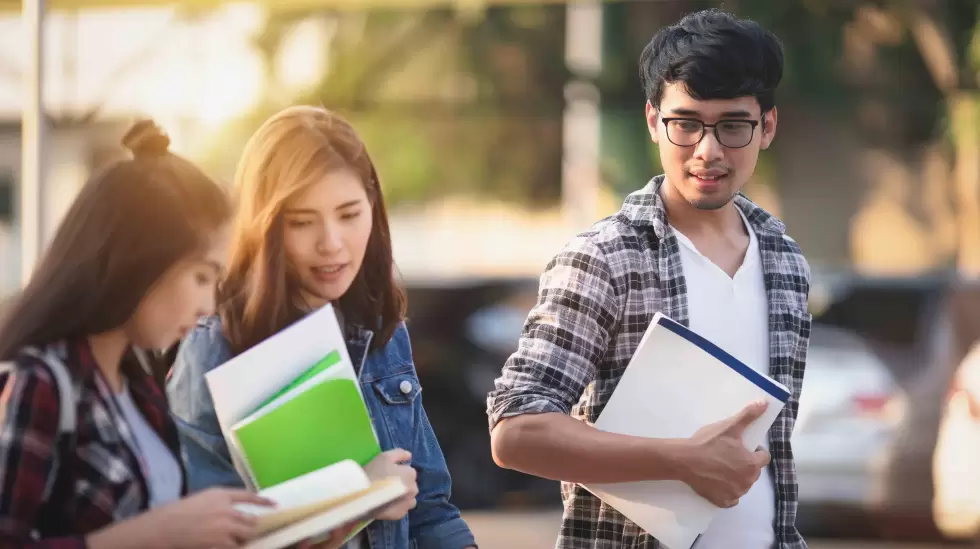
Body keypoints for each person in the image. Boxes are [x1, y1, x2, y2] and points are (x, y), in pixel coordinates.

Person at [487, 8, 812, 549]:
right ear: (652, 121)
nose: (708, 151)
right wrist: (680, 461)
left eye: (733, 125)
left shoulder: (785, 262)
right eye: (686, 123)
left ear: (768, 126)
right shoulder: (605, 258)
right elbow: (515, 429)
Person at [166, 105, 477, 549]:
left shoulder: (381, 333)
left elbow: (430, 512)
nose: (330, 243)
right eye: (302, 223)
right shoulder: (214, 347)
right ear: (265, 226)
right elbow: (205, 533)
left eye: (349, 215)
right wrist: (354, 496)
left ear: (373, 208)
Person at [0, 120, 285, 549]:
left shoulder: (138, 384)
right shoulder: (40, 382)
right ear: (141, 260)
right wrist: (151, 535)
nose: (208, 306)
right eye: (201, 277)